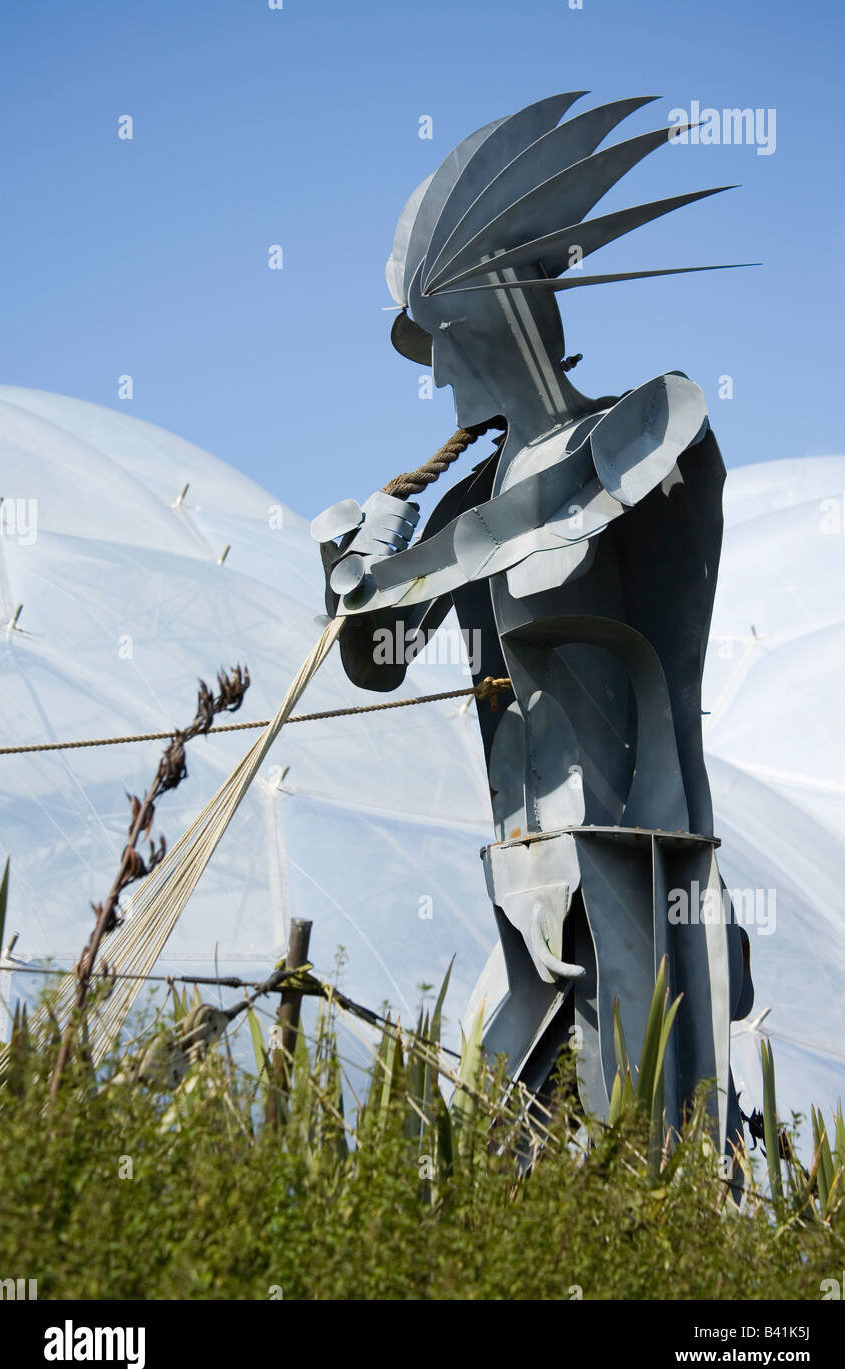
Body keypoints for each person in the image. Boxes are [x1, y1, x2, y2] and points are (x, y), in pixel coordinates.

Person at [311, 93, 754, 1153]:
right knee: (500, 1124)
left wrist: (385, 570)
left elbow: (543, 529)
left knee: (652, 1125)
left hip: (638, 849)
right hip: (523, 858)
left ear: (497, 313)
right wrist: (345, 554)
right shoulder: (468, 507)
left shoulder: (649, 425)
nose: (436, 374)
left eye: (445, 336)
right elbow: (374, 655)